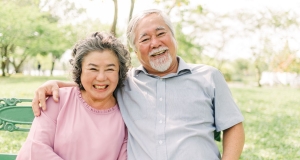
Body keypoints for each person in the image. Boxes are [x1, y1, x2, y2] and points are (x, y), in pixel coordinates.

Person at [32, 9, 245, 160]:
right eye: (144, 39)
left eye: (161, 33)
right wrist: (54, 83)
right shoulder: (126, 82)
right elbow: (97, 81)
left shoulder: (208, 77)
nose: (155, 43)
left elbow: (233, 125)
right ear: (135, 51)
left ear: (173, 37)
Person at [18, 32, 130, 160]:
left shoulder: (125, 113)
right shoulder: (57, 100)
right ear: (79, 70)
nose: (101, 77)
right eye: (93, 69)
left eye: (110, 69)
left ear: (119, 73)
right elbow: (36, 148)